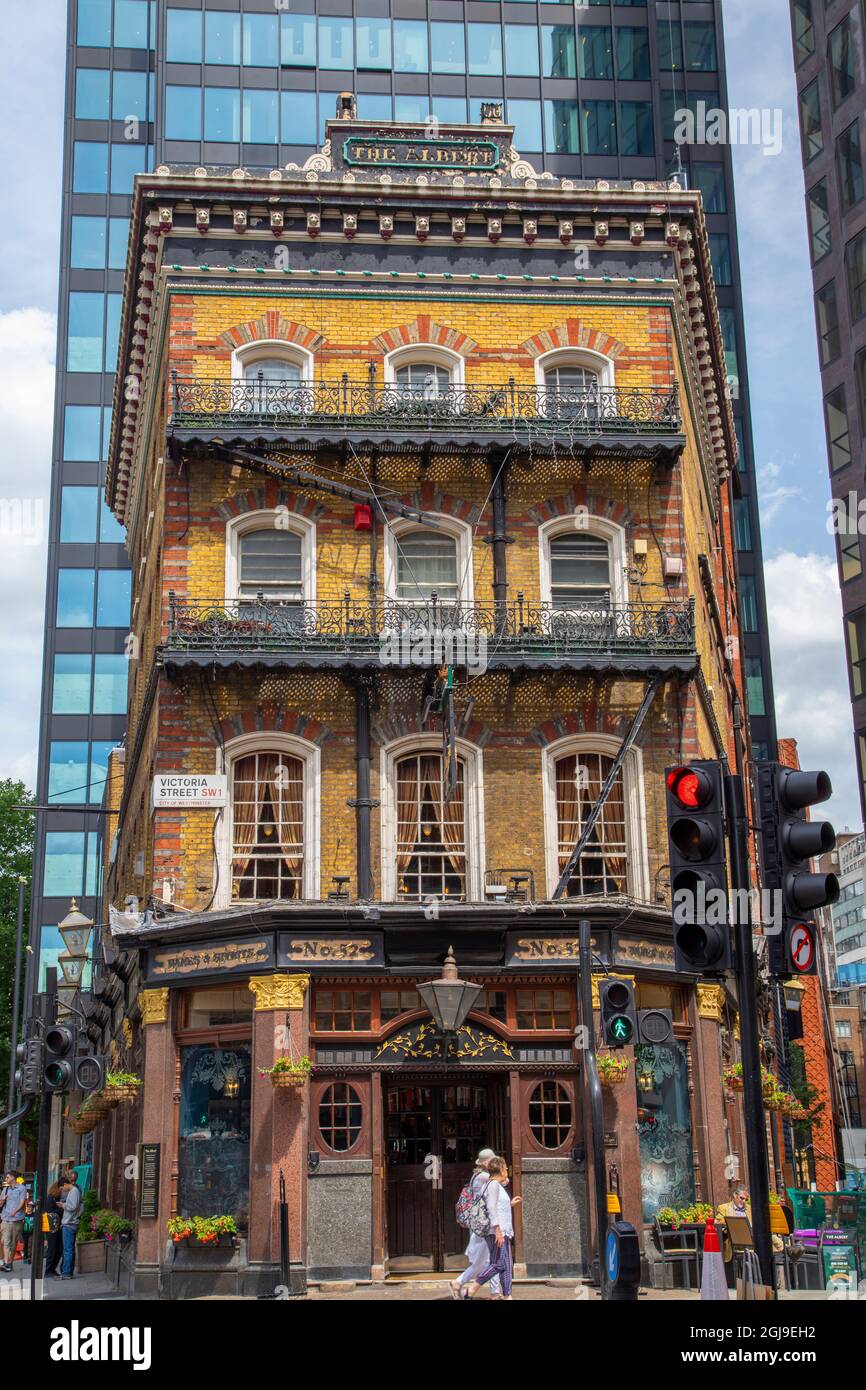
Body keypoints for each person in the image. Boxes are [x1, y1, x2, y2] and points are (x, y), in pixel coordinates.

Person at [464, 1156, 519, 1301]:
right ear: (500, 1169)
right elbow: (491, 1207)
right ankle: (472, 1288)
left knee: (506, 1264)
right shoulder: (493, 1185)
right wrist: (497, 1230)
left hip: (502, 1230)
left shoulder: (492, 1185)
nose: (507, 1170)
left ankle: (507, 1295)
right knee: (499, 1263)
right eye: (505, 1167)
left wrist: (510, 1204)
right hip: (497, 1231)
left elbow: (496, 1206)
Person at [450, 1148, 501, 1300]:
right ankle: (459, 1282)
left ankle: (495, 1292)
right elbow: (503, 1180)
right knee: (490, 1260)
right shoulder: (484, 1177)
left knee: (490, 1259)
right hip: (484, 1224)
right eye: (492, 1161)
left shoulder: (476, 1176)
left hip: (479, 1223)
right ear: (486, 1163)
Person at [0, 1170, 30, 1272]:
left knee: (13, 1243)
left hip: (16, 1219)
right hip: (5, 1219)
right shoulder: (6, 1189)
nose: (6, 1179)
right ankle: (6, 1263)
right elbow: (0, 1204)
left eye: (7, 1177)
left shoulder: (21, 1188)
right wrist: (3, 1199)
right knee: (5, 1241)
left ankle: (9, 1263)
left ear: (13, 1177)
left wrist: (15, 1211)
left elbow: (22, 1202)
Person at [60, 1169, 82, 1280]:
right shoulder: (75, 1190)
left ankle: (66, 1273)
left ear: (65, 1184)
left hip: (69, 1223)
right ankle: (67, 1272)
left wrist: (63, 1205)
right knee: (69, 1249)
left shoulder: (74, 1191)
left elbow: (72, 1207)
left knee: (68, 1249)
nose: (62, 1190)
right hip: (70, 1222)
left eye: (62, 1187)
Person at [43, 1180, 67, 1278]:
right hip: (52, 1228)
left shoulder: (56, 1198)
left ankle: (52, 1269)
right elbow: (50, 1212)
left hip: (58, 1226)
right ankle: (48, 1270)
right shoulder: (50, 1198)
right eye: (61, 1189)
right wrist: (61, 1209)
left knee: (59, 1248)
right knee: (52, 1249)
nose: (63, 1191)